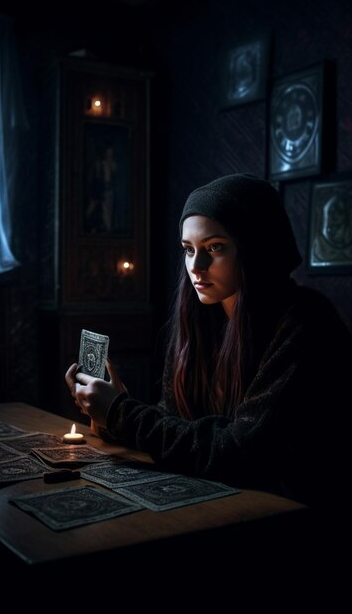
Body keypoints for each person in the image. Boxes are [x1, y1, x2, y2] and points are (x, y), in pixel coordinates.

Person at [65, 173, 352, 511]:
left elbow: (241, 451)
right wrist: (108, 417)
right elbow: (176, 423)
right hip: (220, 506)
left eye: (214, 248)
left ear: (255, 248)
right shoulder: (200, 320)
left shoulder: (305, 321)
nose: (196, 267)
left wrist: (123, 413)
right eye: (188, 250)